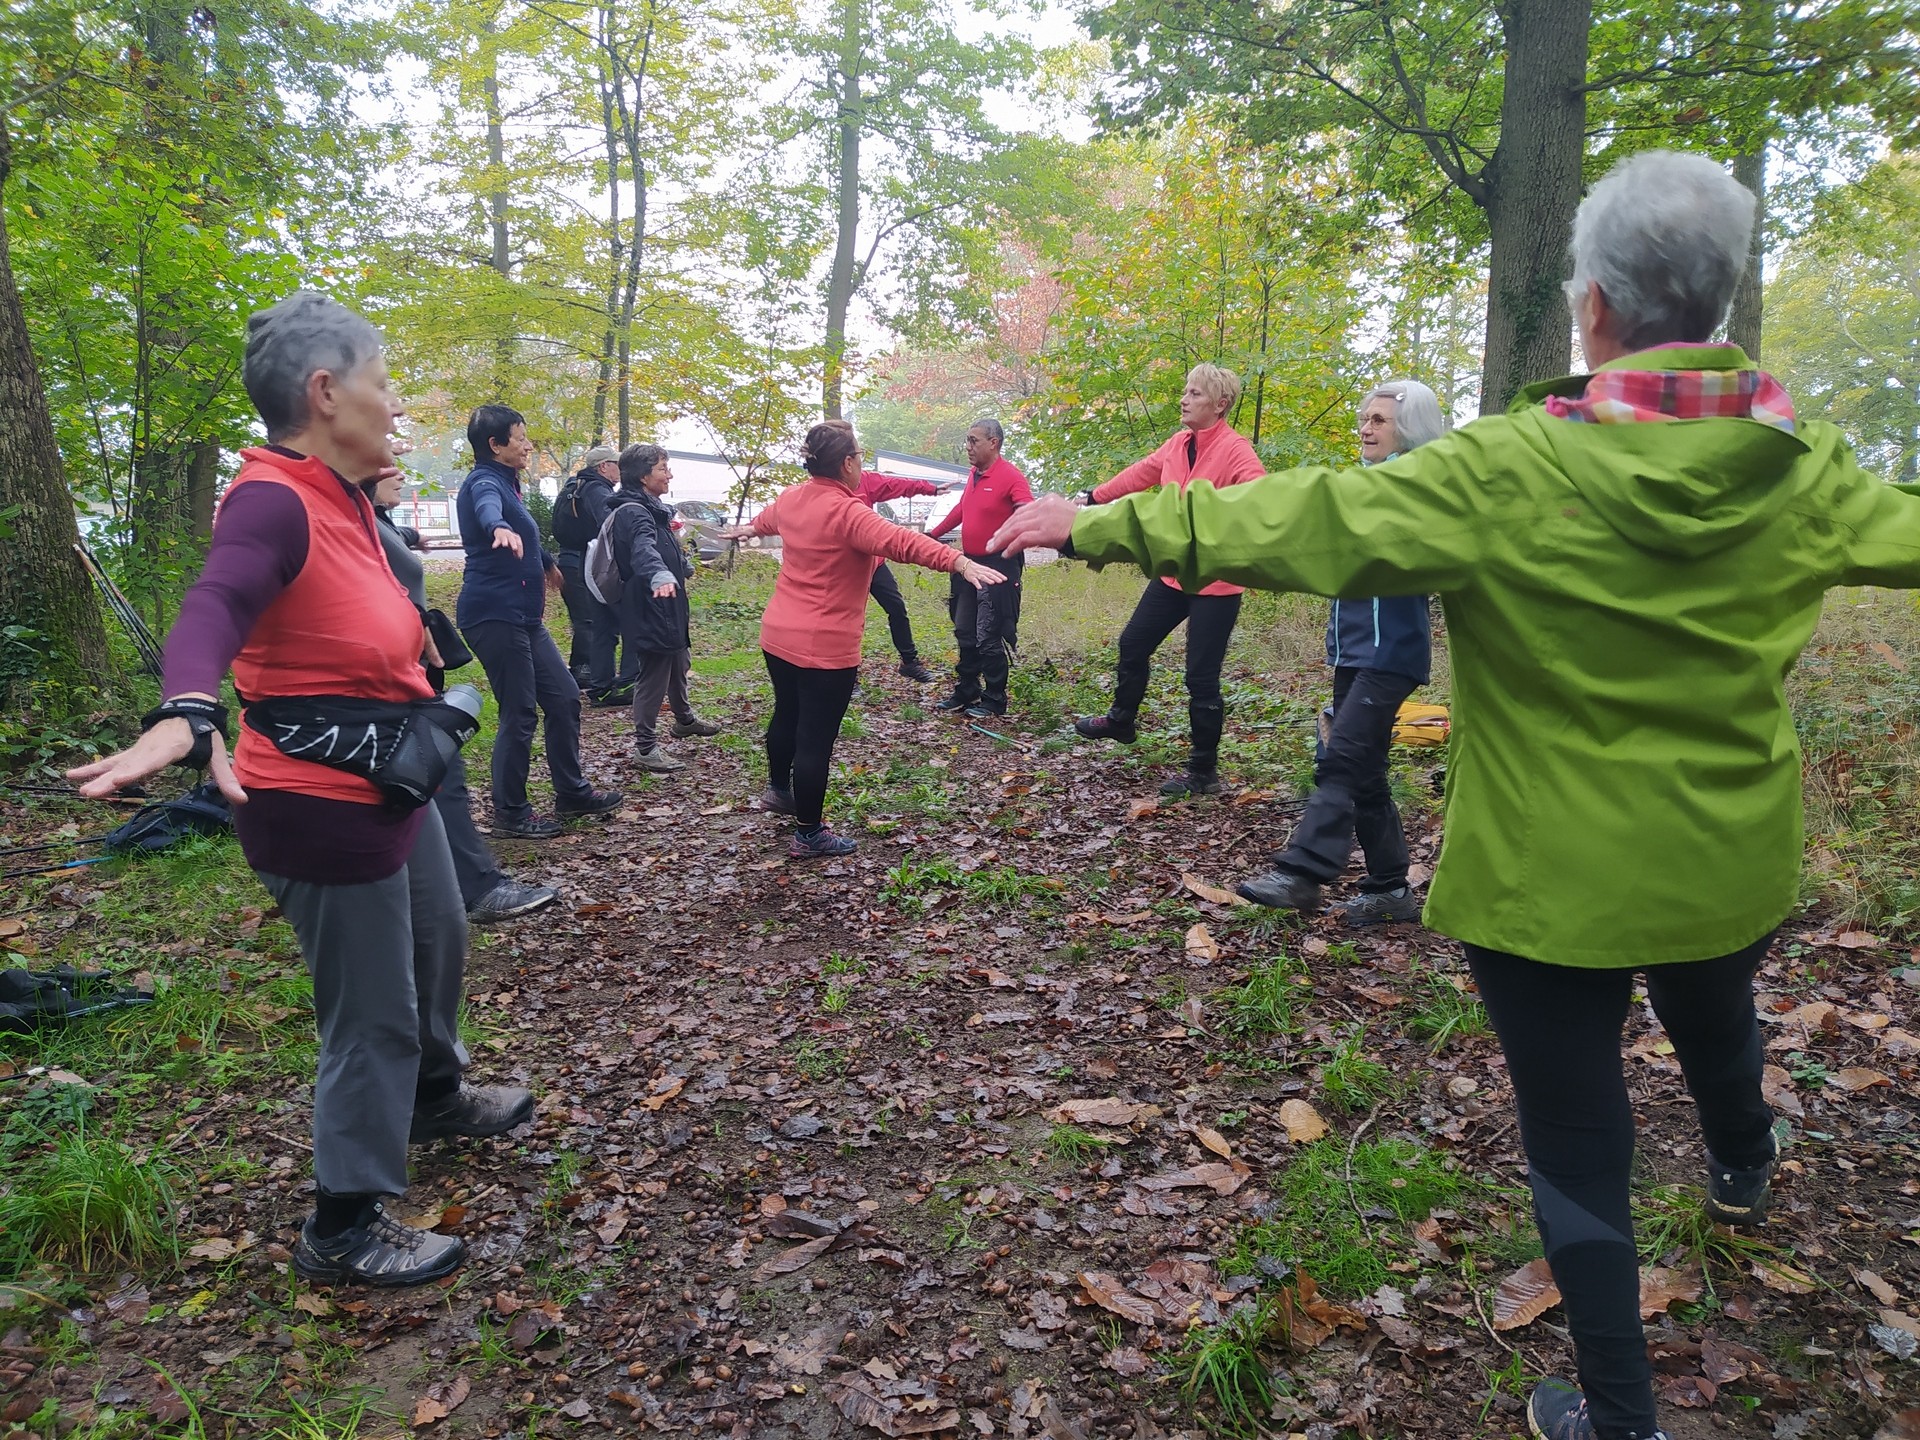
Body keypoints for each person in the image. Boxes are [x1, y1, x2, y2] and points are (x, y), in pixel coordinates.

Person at [988, 150, 1920, 1440]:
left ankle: (1621, 1415)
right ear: (1716, 304)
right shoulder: (1805, 473)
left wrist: (1093, 521)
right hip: (1727, 856)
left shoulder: (1510, 470)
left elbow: (1301, 522)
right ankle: (1745, 1165)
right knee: (1717, 1019)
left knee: (1579, 1137)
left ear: (1591, 304)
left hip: (1548, 879)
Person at [70, 291, 536, 1286]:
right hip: (318, 806)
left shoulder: (341, 496)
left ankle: (436, 1098)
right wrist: (188, 705)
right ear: (325, 392)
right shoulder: (271, 499)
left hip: (389, 783)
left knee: (441, 934)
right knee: (372, 1013)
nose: (397, 403)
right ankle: (344, 1221)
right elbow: (220, 596)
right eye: (381, 382)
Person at [720, 421, 1006, 858]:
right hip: (824, 646)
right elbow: (901, 541)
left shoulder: (793, 497)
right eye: (858, 453)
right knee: (815, 737)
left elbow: (768, 519)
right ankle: (809, 833)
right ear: (848, 462)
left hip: (778, 634)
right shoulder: (848, 511)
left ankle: (779, 791)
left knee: (787, 714)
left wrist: (748, 530)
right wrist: (959, 562)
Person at [1236, 379, 1446, 921]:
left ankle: (1304, 871)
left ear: (1411, 428)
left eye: (1380, 420)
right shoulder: (1365, 483)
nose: (1366, 427)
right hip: (1355, 652)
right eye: (1365, 418)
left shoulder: (1422, 486)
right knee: (1365, 768)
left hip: (1392, 651)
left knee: (1344, 756)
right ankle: (1391, 888)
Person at [367, 473, 561, 925]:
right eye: (386, 459)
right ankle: (475, 884)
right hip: (387, 676)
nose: (399, 468)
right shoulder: (343, 519)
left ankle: (436, 887)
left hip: (410, 669)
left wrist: (414, 537)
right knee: (438, 772)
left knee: (433, 775)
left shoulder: (373, 519)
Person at [1070, 364, 1267, 796]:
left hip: (1216, 583)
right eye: (1185, 392)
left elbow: (1262, 499)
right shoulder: (1179, 443)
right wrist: (1091, 498)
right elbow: (1141, 472)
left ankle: (1203, 772)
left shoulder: (1236, 450)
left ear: (1220, 404)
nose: (1184, 399)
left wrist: (1229, 529)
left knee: (1200, 677)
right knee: (1133, 643)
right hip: (1175, 576)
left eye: (1195, 394)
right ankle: (1122, 720)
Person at [455, 405, 621, 839]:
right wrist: (496, 527)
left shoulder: (509, 485)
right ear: (495, 445)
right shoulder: (485, 482)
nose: (528, 445)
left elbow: (521, 528)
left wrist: (544, 560)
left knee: (565, 698)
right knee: (520, 710)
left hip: (524, 616)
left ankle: (571, 793)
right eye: (520, 437)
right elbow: (487, 508)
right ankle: (510, 811)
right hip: (493, 615)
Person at [602, 443, 720, 773]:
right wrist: (660, 573)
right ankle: (645, 748)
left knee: (679, 659)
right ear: (642, 476)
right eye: (662, 468)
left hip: (668, 600)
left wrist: (680, 564)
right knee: (654, 675)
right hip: (651, 604)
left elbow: (660, 545)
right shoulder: (633, 511)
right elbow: (642, 550)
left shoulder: (652, 506)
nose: (669, 474)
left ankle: (683, 720)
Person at [927, 418, 1032, 718]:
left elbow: (1025, 508)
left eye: (974, 440)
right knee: (965, 630)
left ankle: (995, 698)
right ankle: (967, 689)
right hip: (967, 565)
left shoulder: (1011, 476)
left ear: (993, 443)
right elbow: (962, 510)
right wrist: (933, 536)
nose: (968, 446)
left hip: (998, 567)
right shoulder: (974, 474)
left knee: (989, 634)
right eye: (967, 440)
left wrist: (1019, 529)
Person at [854, 464, 964, 683]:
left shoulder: (864, 480)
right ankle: (849, 676)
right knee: (851, 620)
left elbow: (896, 484)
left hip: (874, 564)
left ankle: (909, 662)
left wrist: (931, 489)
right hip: (847, 568)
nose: (858, 460)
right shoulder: (827, 489)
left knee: (896, 608)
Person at [550, 445, 621, 697]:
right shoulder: (596, 489)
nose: (620, 469)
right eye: (616, 463)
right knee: (589, 619)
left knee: (587, 618)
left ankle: (588, 671)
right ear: (603, 466)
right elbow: (608, 524)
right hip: (583, 562)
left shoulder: (578, 484)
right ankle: (584, 672)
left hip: (572, 560)